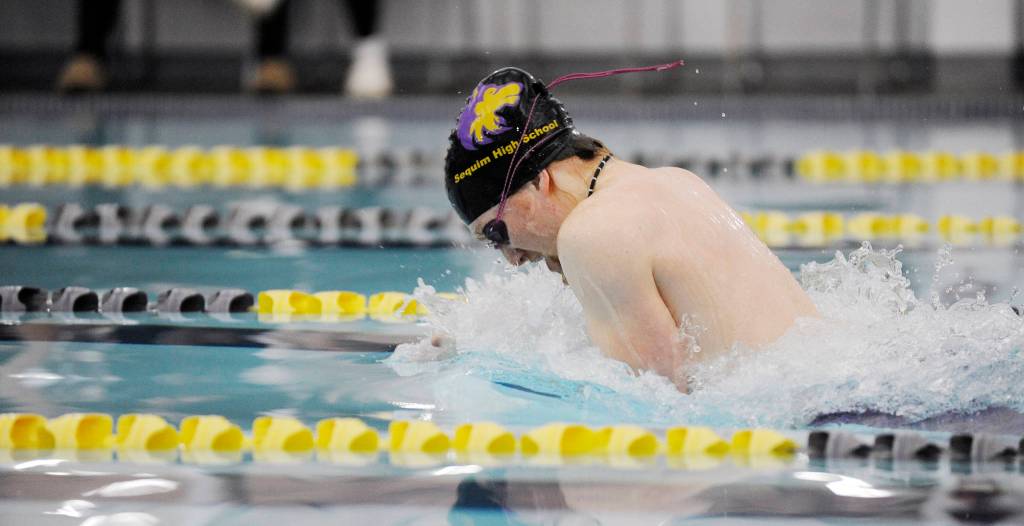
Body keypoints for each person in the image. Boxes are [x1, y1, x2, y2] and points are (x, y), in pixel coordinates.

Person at [443, 67, 817, 392]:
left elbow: (656, 401)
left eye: (495, 232)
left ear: (539, 182)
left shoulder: (590, 234)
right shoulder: (674, 181)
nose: (512, 259)